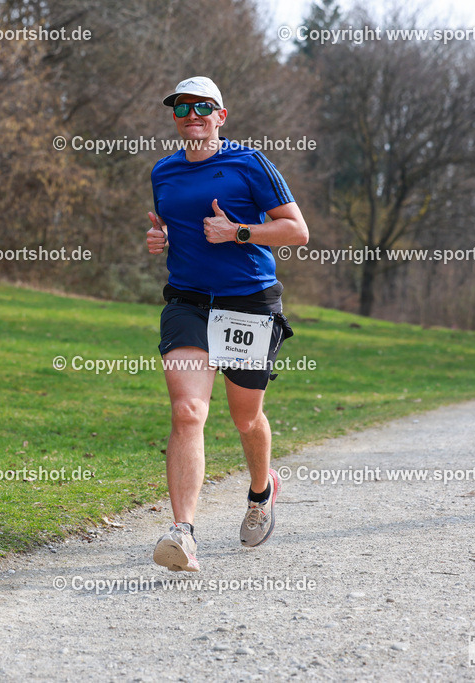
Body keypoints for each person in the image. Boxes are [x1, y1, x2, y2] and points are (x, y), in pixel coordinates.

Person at [145, 76, 309, 571]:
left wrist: (238, 232)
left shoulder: (250, 163)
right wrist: (161, 239)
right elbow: (175, 227)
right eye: (182, 108)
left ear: (221, 116)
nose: (192, 115)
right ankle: (183, 533)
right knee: (187, 411)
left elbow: (296, 231)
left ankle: (261, 490)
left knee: (244, 418)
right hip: (188, 303)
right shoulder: (163, 171)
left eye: (203, 107)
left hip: (248, 304)